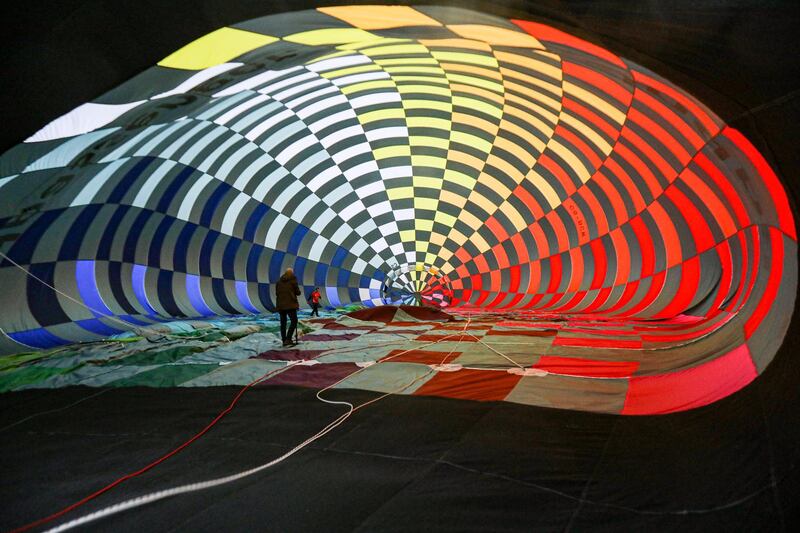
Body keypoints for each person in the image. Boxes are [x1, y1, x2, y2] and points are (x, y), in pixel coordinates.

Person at [275, 267, 300, 346]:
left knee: (283, 323)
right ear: (291, 273)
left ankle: (284, 340)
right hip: (290, 304)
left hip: (280, 305)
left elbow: (277, 293)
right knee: (294, 321)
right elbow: (298, 292)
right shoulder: (293, 280)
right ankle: (288, 339)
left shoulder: (278, 282)